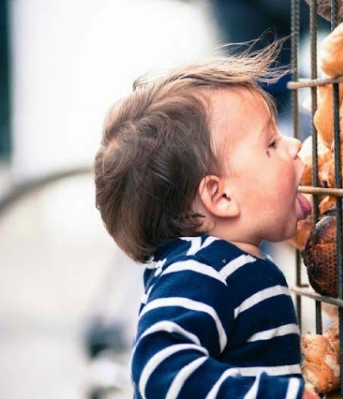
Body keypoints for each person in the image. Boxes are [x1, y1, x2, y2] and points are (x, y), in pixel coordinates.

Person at [93, 41, 317, 399]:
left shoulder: (229, 264)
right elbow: (160, 371)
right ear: (221, 196)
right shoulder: (201, 272)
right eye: (271, 143)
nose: (294, 145)